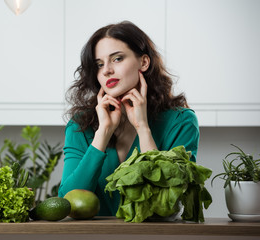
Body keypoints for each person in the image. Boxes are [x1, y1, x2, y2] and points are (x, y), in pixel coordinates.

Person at [58, 21, 199, 216]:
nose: (106, 70)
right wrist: (103, 134)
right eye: (99, 64)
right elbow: (67, 202)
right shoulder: (80, 125)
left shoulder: (180, 121)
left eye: (117, 59)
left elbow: (167, 205)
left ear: (144, 62)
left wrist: (143, 128)